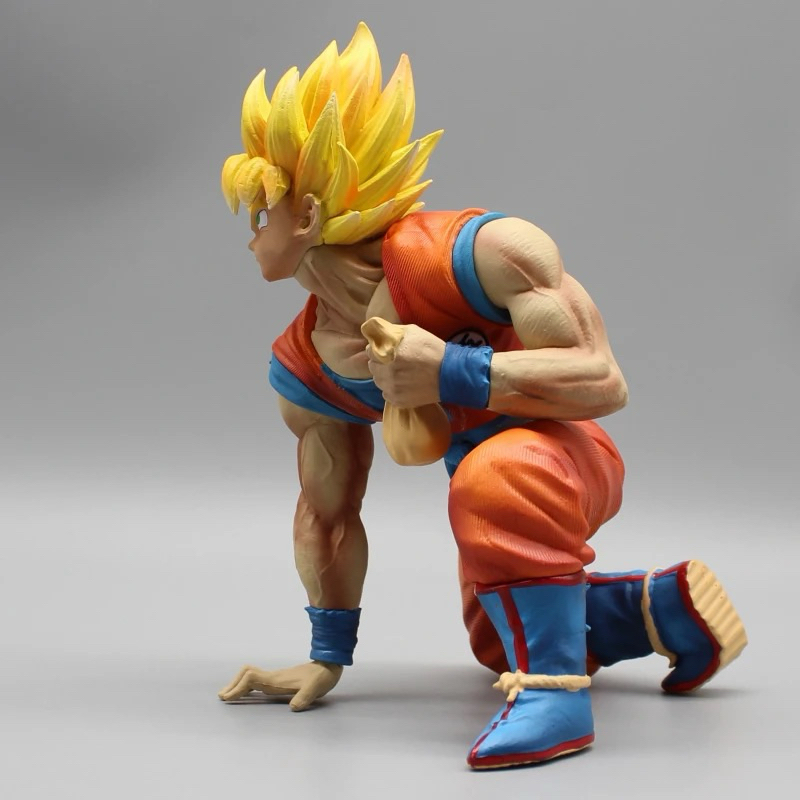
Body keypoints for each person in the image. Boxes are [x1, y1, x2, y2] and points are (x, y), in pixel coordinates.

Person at [217, 22, 747, 769]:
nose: (249, 235)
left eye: (258, 212)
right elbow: (327, 511)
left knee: (493, 477)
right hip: (494, 500)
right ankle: (662, 611)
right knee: (499, 636)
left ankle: (557, 699)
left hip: (566, 457)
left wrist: (455, 373)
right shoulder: (309, 363)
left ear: (304, 217)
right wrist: (326, 656)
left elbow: (603, 378)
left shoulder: (474, 255)